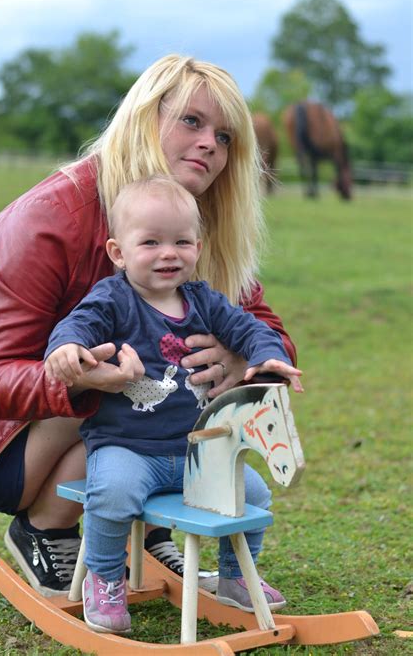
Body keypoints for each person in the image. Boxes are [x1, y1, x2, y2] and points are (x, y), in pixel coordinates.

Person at [0, 54, 297, 600]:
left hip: (136, 428)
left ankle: (147, 531)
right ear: (143, 120)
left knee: (169, 372)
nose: (210, 145)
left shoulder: (190, 221)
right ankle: (45, 527)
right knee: (138, 375)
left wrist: (238, 360)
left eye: (224, 137)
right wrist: (81, 378)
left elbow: (262, 325)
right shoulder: (48, 218)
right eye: (191, 122)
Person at [44, 176, 303, 634]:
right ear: (118, 252)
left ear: (198, 246)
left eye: (181, 241)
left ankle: (233, 575)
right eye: (151, 242)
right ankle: (105, 577)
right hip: (127, 446)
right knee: (113, 493)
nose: (169, 253)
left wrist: (269, 357)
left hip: (193, 451)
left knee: (255, 494)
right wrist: (67, 349)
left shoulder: (204, 300)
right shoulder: (112, 299)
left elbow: (251, 329)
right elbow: (76, 325)